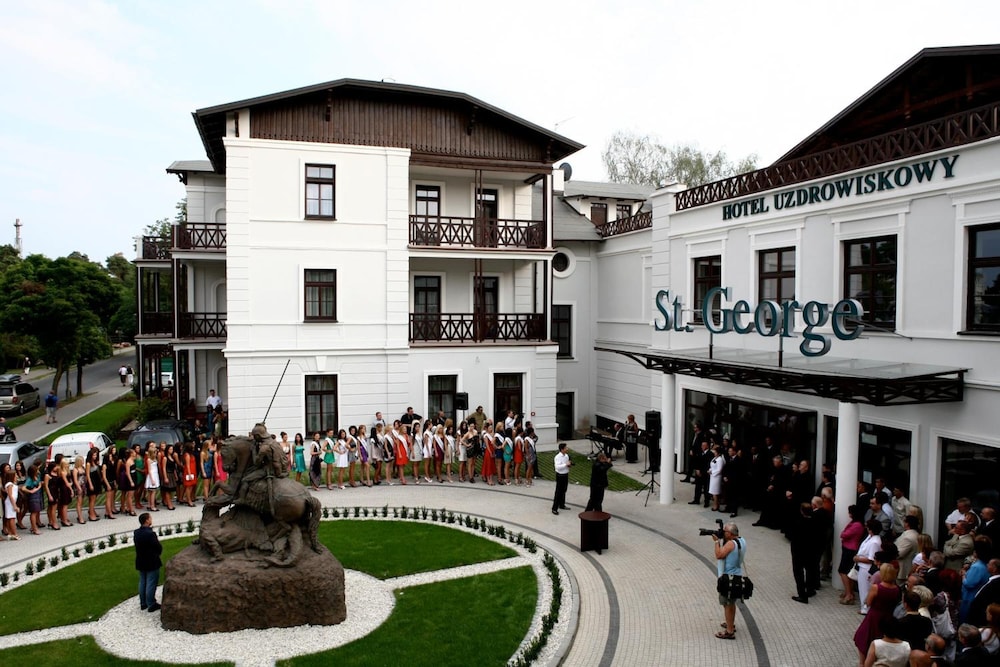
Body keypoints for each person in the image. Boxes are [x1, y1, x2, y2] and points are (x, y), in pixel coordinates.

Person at [854, 562, 902, 662]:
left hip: (874, 616)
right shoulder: (897, 589)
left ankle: (863, 662)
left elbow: (868, 602)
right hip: (888, 616)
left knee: (864, 638)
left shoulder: (876, 587)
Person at [713, 522, 746, 640]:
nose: (723, 532)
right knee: (731, 603)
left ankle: (729, 631)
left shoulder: (731, 544)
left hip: (728, 579)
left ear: (730, 534)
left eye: (725, 531)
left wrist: (716, 542)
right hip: (737, 576)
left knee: (727, 603)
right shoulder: (742, 540)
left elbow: (719, 555)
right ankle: (730, 623)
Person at [134, 512, 163, 612]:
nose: (151, 520)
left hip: (141, 560)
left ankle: (143, 603)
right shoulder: (150, 534)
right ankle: (151, 603)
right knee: (151, 582)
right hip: (151, 561)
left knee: (143, 581)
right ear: (147, 520)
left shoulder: (136, 532)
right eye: (150, 518)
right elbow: (157, 547)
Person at [551, 442, 572, 515]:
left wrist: (569, 465)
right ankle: (554, 508)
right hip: (560, 475)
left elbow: (567, 464)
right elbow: (557, 467)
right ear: (562, 449)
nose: (567, 449)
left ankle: (562, 504)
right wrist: (565, 464)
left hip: (566, 474)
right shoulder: (557, 457)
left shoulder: (566, 456)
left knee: (564, 490)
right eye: (566, 448)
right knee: (558, 492)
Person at [3, 469, 19, 540]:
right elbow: (10, 495)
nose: (16, 476)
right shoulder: (10, 484)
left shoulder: (12, 484)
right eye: (15, 475)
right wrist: (14, 505)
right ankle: (14, 534)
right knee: (12, 518)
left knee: (10, 518)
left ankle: (10, 533)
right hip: (10, 503)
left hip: (11, 502)